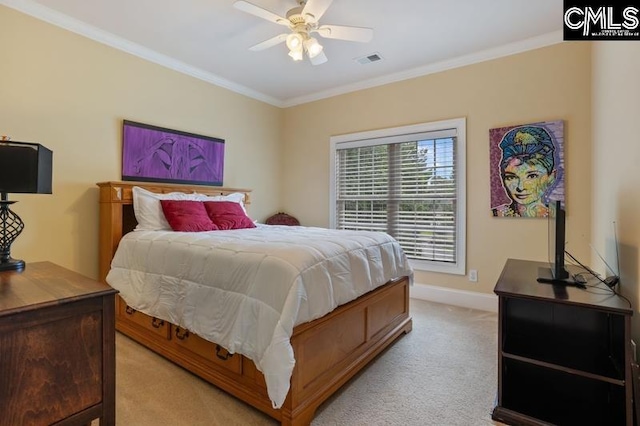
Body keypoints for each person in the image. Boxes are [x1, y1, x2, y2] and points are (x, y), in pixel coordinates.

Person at [492, 126, 558, 217]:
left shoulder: (558, 215)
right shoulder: (496, 214)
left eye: (532, 176)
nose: (520, 187)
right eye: (511, 177)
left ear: (551, 177)